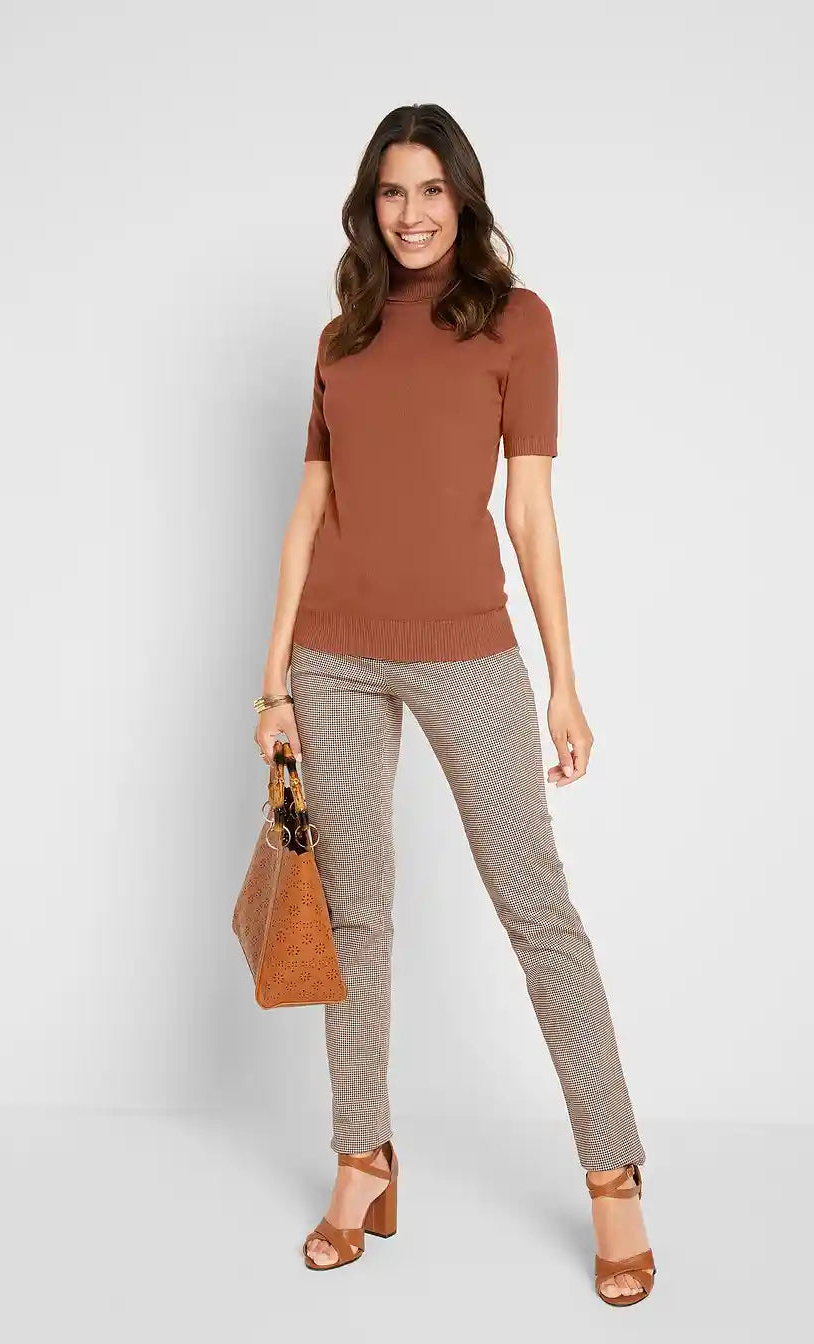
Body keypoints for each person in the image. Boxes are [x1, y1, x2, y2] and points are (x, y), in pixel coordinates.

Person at [254, 103, 656, 1306]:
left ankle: (614, 1175)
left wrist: (565, 680)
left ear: (464, 198)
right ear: (369, 207)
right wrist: (273, 680)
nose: (413, 212)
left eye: (432, 189)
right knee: (355, 921)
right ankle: (361, 1160)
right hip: (332, 656)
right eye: (393, 192)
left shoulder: (516, 323)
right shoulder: (342, 335)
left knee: (538, 910)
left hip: (467, 652)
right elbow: (308, 512)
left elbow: (530, 511)